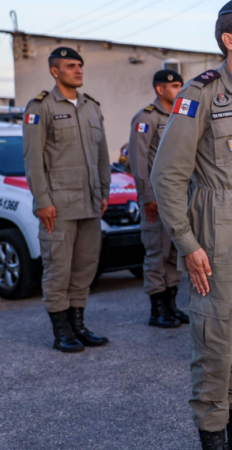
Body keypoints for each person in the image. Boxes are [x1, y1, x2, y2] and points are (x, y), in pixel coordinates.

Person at [150, 2, 232, 448]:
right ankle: (212, 436)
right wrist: (187, 243)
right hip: (218, 250)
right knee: (215, 350)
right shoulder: (201, 93)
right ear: (229, 39)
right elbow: (167, 175)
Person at [23, 47, 110, 353]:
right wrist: (42, 200)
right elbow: (33, 159)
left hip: (89, 203)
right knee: (58, 268)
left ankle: (78, 325)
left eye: (80, 65)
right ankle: (61, 331)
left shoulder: (91, 107)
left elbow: (102, 155)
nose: (78, 70)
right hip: (58, 206)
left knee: (85, 267)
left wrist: (103, 191)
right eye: (71, 66)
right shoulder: (41, 107)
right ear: (54, 71)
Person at [128, 69, 187, 329]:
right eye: (174, 86)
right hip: (156, 199)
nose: (179, 90)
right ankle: (157, 310)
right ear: (160, 89)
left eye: (181, 85)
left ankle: (171, 306)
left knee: (176, 253)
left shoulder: (182, 117)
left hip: (179, 200)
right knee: (156, 254)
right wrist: (147, 196)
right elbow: (138, 161)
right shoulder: (146, 118)